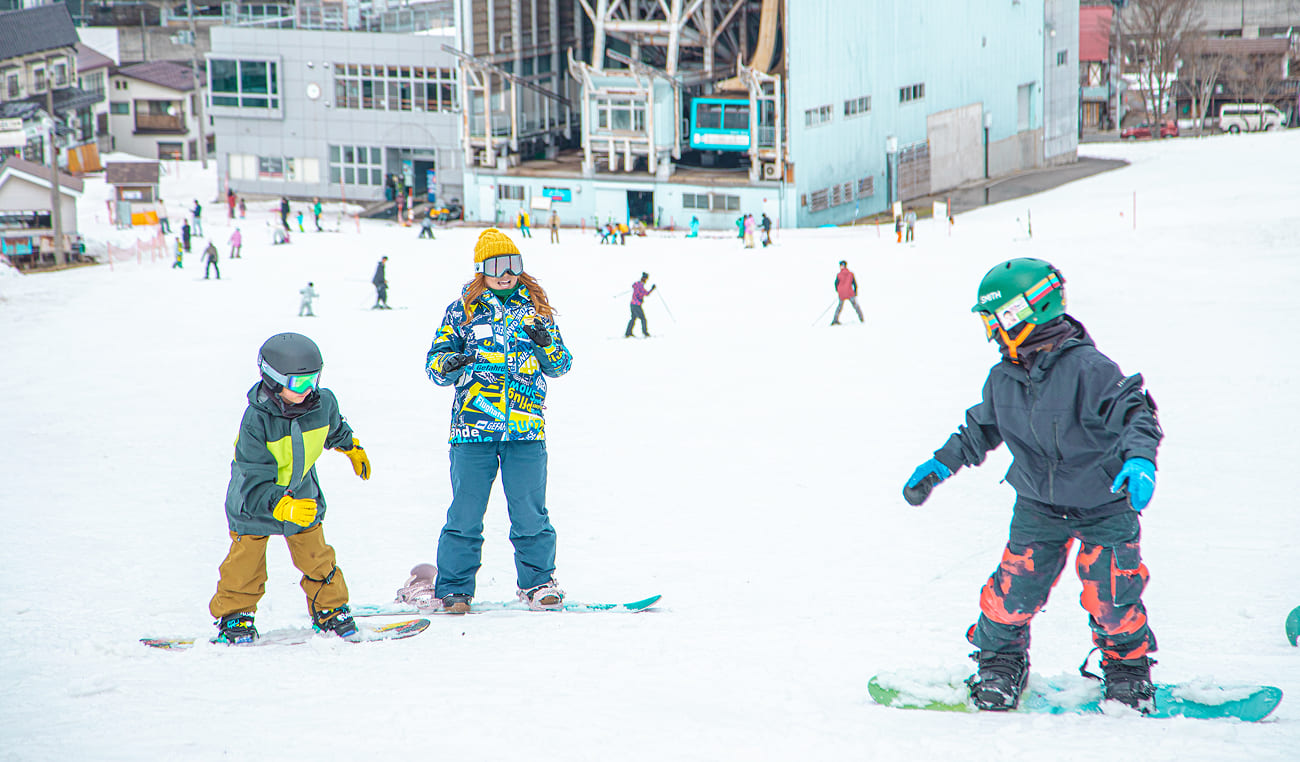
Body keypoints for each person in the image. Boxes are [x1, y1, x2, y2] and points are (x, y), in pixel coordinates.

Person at [902, 258, 1163, 713]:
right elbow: (981, 428)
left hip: (1103, 500)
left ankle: (1127, 670)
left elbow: (1136, 412)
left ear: (1027, 313)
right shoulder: (1005, 375)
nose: (990, 331)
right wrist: (941, 465)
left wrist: (1140, 459)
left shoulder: (1089, 368)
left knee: (1112, 597)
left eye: (995, 318)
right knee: (1012, 593)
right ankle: (1001, 663)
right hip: (1038, 504)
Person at [421, 228, 574, 613]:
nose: (504, 273)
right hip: (473, 430)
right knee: (465, 513)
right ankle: (454, 588)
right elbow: (435, 367)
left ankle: (538, 583)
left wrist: (546, 343)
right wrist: (448, 363)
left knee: (530, 513)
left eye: (512, 265)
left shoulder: (535, 309)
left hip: (525, 431)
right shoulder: (462, 310)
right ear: (480, 270)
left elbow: (561, 365)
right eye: (494, 266)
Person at [208, 332, 373, 644]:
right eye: (298, 383)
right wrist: (282, 506)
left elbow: (334, 427)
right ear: (272, 379)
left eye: (313, 379)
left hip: (302, 495)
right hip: (253, 501)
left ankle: (330, 611)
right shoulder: (256, 420)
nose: (307, 389)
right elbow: (254, 478)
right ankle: (236, 615)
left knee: (317, 557)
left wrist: (351, 446)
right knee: (245, 564)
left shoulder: (322, 403)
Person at [830, 260, 863, 325]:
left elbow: (836, 284)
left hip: (842, 293)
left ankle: (835, 319)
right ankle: (861, 319)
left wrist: (838, 291)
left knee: (839, 307)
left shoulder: (839, 275)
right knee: (855, 306)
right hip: (850, 293)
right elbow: (854, 284)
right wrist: (855, 292)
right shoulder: (851, 274)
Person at [625, 272, 655, 338]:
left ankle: (628, 332)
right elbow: (646, 293)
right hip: (637, 305)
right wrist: (652, 289)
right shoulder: (641, 286)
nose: (646, 281)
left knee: (633, 318)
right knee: (643, 318)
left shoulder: (637, 284)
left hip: (632, 304)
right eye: (646, 279)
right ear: (643, 278)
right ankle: (645, 332)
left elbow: (633, 286)